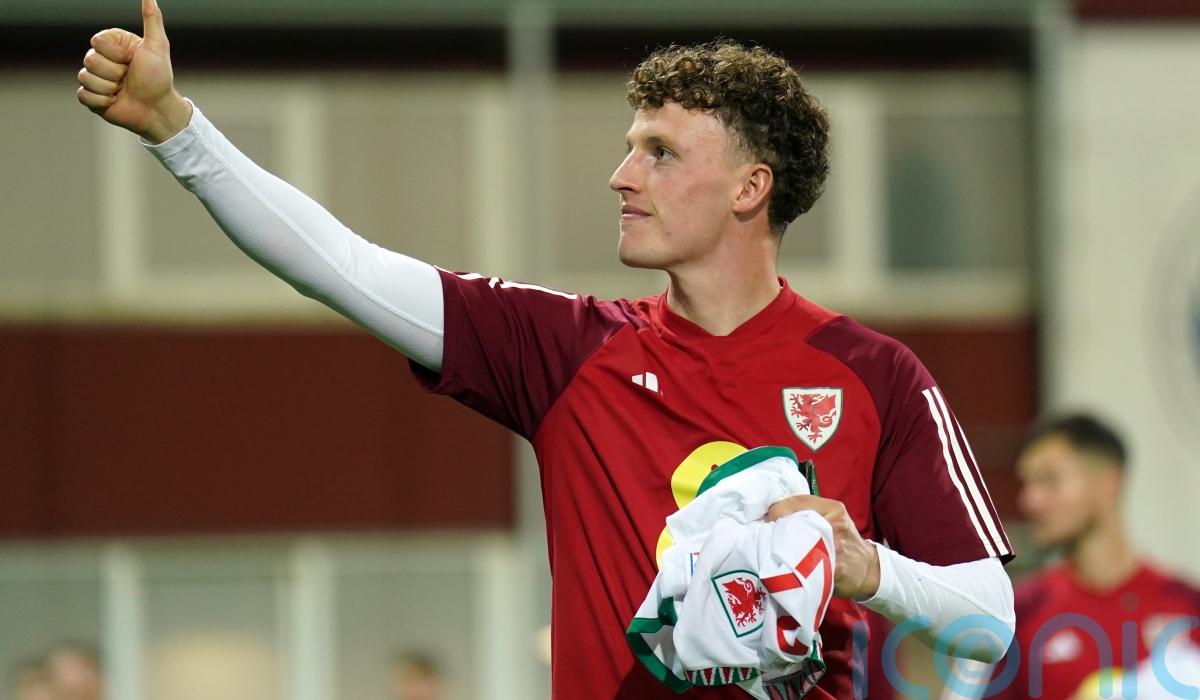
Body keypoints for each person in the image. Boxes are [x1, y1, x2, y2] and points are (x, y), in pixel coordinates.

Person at [75, 2, 1017, 696]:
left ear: (749, 188)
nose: (621, 175)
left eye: (660, 152)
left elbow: (990, 620)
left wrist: (866, 570)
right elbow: (342, 267)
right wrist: (177, 131)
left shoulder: (877, 375)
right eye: (631, 146)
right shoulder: (566, 349)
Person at [990, 414, 1200, 699]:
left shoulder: (1187, 604)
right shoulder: (1018, 612)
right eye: (1026, 484)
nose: (1030, 500)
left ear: (1108, 483)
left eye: (1050, 481)